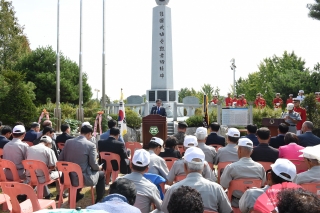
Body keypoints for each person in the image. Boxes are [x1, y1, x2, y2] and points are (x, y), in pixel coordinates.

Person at [162, 147, 232, 213]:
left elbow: (164, 211)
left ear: (185, 167)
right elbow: (228, 211)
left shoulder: (172, 189)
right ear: (204, 167)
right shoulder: (216, 189)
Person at [58, 125, 105, 203]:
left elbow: (60, 159)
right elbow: (93, 164)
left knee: (79, 170)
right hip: (81, 178)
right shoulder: (90, 145)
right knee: (101, 174)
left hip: (66, 177)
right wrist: (98, 167)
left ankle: (76, 195)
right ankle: (99, 199)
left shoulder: (68, 142)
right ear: (89, 134)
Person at [221, 138, 266, 208]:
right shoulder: (260, 168)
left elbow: (223, 186)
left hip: (235, 204)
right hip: (253, 203)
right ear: (251, 151)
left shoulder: (231, 167)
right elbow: (262, 185)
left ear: (239, 150)